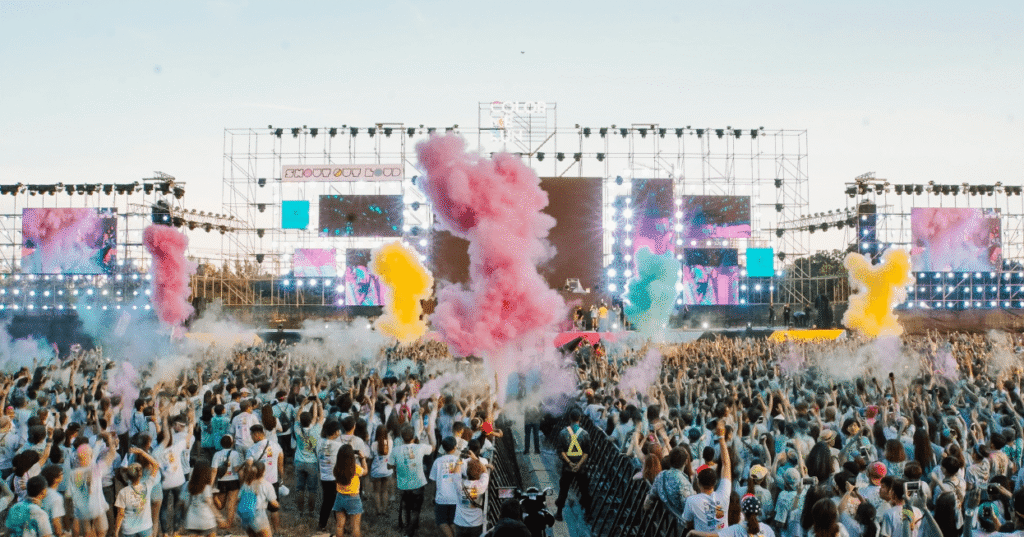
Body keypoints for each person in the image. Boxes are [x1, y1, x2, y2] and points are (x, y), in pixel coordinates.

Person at [388, 422, 436, 537]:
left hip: (403, 484)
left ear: (401, 436)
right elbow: (433, 447)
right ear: (413, 437)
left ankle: (410, 526)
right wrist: (429, 433)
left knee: (407, 508)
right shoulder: (420, 447)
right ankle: (410, 531)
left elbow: (389, 466)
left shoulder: (395, 450)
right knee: (416, 509)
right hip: (418, 483)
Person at [681, 421, 731, 532]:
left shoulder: (691, 501)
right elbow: (726, 464)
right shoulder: (724, 494)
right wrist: (722, 439)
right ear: (715, 482)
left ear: (698, 483)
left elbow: (687, 523)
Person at [554, 407, 591, 521]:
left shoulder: (563, 433)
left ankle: (559, 513)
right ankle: (588, 514)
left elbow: (560, 451)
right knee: (584, 490)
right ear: (580, 419)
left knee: (563, 490)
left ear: (570, 418)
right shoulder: (585, 434)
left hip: (567, 468)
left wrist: (570, 463)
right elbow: (587, 452)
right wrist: (578, 464)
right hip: (581, 469)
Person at [292, 398, 323, 516]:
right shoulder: (315, 431)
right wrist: (318, 403)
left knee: (299, 489)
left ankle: (300, 512)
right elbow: (320, 417)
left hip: (299, 461)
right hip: (312, 462)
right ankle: (311, 511)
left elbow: (296, 418)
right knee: (312, 490)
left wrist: (302, 404)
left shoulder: (297, 429)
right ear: (311, 421)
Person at [180, 460, 225, 537]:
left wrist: (183, 519)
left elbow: (182, 503)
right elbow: (210, 504)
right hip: (206, 521)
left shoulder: (187, 485)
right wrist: (220, 518)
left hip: (192, 521)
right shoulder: (206, 487)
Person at [332, 444, 367, 537]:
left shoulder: (337, 468)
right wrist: (362, 458)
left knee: (339, 526)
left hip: (339, 497)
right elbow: (365, 471)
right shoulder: (355, 468)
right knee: (355, 528)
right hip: (353, 498)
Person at [430, 437, 462, 537]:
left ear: (443, 448)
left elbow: (433, 481)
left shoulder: (437, 461)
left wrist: (433, 495)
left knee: (442, 521)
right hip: (456, 497)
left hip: (441, 497)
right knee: (453, 521)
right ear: (455, 447)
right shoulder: (460, 461)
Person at [236, 461, 278, 537]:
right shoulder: (266, 484)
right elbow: (273, 503)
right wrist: (278, 505)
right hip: (259, 516)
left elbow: (238, 498)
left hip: (245, 518)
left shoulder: (246, 483)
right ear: (263, 472)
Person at [211, 435, 242, 527]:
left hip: (222, 481)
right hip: (233, 480)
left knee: (220, 505)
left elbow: (214, 470)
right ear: (232, 443)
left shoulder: (217, 454)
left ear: (221, 443)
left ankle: (214, 497)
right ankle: (228, 523)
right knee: (231, 503)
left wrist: (211, 485)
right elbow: (236, 469)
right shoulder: (235, 454)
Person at [453, 457, 489, 537]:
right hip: (476, 523)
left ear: (467, 472)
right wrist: (476, 459)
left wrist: (459, 460)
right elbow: (485, 471)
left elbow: (456, 472)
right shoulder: (481, 485)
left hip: (460, 521)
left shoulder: (459, 484)